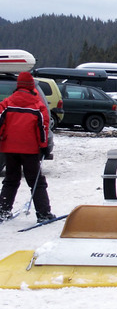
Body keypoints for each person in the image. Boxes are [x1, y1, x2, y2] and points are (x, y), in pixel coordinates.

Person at [0, 72, 55, 222]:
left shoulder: (6, 103)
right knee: (37, 181)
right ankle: (43, 213)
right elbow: (42, 129)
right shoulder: (38, 106)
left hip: (9, 148)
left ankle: (3, 210)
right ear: (31, 86)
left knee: (11, 179)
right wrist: (44, 147)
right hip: (30, 150)